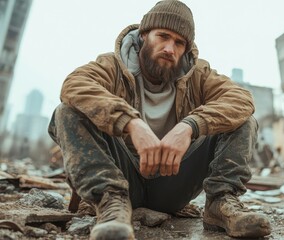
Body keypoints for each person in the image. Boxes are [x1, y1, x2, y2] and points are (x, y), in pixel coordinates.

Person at [48, 0, 271, 239]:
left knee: (243, 120)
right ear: (144, 35)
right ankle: (110, 206)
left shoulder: (199, 74)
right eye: (162, 36)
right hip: (122, 177)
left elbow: (241, 99)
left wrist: (189, 126)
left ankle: (221, 203)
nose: (169, 48)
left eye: (179, 42)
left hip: (173, 183)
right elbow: (75, 85)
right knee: (67, 111)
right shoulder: (111, 66)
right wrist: (131, 122)